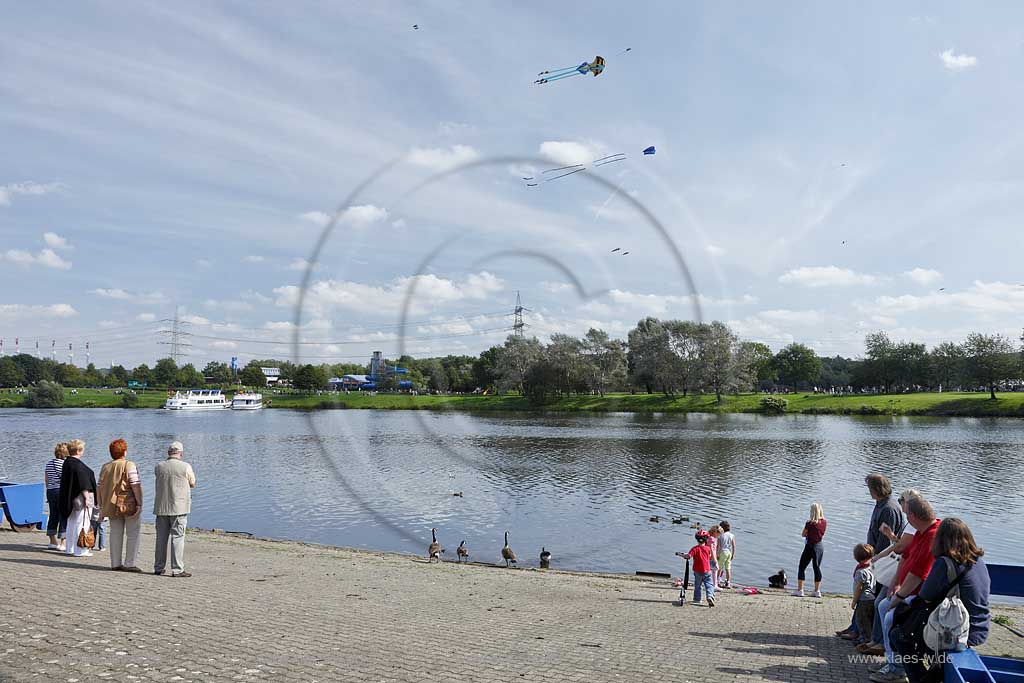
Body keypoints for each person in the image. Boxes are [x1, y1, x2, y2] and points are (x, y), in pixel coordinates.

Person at [895, 518, 991, 683]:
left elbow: (925, 595)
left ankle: (921, 678)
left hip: (957, 631)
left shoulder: (944, 563)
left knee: (899, 635)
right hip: (979, 627)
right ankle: (933, 671)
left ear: (941, 540)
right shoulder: (978, 562)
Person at [870, 495, 941, 683]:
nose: (906, 518)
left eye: (907, 515)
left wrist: (898, 597)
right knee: (883, 607)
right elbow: (905, 557)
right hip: (909, 590)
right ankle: (892, 662)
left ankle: (898, 669)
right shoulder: (921, 532)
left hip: (922, 597)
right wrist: (895, 582)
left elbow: (918, 574)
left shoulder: (932, 536)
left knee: (890, 614)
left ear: (914, 516)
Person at [839, 475, 906, 640]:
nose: (868, 491)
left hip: (881, 562)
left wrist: (874, 561)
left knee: (867, 596)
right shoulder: (881, 505)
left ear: (877, 489)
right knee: (865, 595)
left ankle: (862, 632)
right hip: (875, 558)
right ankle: (855, 627)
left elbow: (885, 542)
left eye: (870, 488)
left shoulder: (889, 509)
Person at [858, 489, 923, 655]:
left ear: (909, 503)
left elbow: (901, 547)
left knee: (882, 604)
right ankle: (876, 640)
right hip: (902, 568)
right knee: (880, 603)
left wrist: (880, 555)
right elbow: (901, 544)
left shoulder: (913, 523)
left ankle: (882, 645)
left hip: (903, 571)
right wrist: (891, 535)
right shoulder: (911, 522)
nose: (900, 503)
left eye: (902, 500)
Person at [97, 439, 143, 572]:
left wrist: (101, 506)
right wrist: (139, 503)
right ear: (125, 451)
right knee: (133, 533)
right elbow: (135, 485)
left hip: (111, 505)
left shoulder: (105, 467)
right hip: (128, 504)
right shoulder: (129, 465)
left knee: (115, 533)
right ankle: (130, 563)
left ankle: (115, 563)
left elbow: (99, 487)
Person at [153, 441, 196, 577]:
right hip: (179, 508)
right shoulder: (185, 467)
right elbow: (192, 482)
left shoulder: (159, 466)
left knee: (161, 538)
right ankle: (177, 569)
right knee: (177, 537)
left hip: (161, 507)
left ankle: (158, 567)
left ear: (168, 453)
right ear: (181, 453)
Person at [57, 439, 96, 558]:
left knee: (72, 522)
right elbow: (83, 484)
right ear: (79, 450)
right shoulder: (77, 465)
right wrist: (87, 499)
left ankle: (70, 548)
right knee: (82, 522)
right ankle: (81, 550)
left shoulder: (67, 463)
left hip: (69, 499)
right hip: (80, 499)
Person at [794, 502, 826, 597]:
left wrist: (809, 534)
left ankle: (800, 590)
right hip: (819, 546)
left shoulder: (809, 523)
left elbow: (803, 534)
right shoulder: (824, 522)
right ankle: (817, 591)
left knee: (802, 567)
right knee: (817, 568)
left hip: (810, 546)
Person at [676, 529, 715, 607]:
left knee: (698, 585)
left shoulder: (694, 549)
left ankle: (697, 599)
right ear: (706, 539)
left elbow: (688, 556)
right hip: (707, 570)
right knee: (709, 584)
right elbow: (710, 557)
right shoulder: (708, 549)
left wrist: (680, 555)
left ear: (697, 539)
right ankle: (710, 596)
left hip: (697, 571)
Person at [44, 442, 69, 550]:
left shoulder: (49, 463)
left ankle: (52, 541)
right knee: (63, 515)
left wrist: (49, 489)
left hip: (50, 491)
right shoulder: (64, 464)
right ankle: (63, 542)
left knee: (53, 515)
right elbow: (65, 479)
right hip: (60, 491)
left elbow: (46, 478)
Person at [851, 543, 876, 646]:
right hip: (872, 597)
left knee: (861, 620)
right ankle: (868, 638)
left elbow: (859, 588)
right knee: (868, 620)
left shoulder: (860, 572)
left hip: (863, 599)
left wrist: (854, 601)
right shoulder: (872, 567)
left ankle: (864, 639)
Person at [718, 520, 736, 588]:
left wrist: (717, 554)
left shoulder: (720, 536)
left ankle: (717, 581)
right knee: (728, 568)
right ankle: (728, 582)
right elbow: (734, 546)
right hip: (729, 552)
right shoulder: (732, 535)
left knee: (719, 567)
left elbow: (718, 546)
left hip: (722, 552)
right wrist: (733, 554)